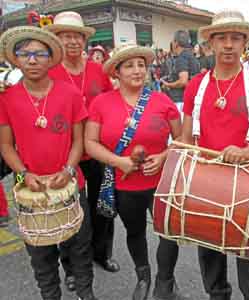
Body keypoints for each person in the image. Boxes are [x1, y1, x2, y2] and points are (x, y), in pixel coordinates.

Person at [181, 10, 249, 300]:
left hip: (248, 184)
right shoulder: (195, 86)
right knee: (211, 259)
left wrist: (246, 151)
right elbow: (187, 138)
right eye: (221, 38)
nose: (228, 44)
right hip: (205, 182)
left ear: (245, 43)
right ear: (211, 43)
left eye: (236, 38)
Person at [85, 43, 187, 300]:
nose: (137, 70)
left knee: (168, 233)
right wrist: (118, 162)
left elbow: (182, 140)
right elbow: (90, 143)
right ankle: (143, 277)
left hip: (162, 183)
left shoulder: (162, 100)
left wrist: (164, 156)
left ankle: (165, 281)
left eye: (141, 64)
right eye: (129, 65)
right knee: (135, 231)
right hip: (124, 185)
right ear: (116, 72)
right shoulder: (101, 103)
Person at [0, 26, 96, 300]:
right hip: (31, 190)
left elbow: (79, 141)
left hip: (71, 183)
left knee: (80, 247)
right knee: (41, 255)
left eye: (40, 54)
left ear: (51, 57)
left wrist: (67, 170)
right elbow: (6, 145)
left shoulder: (69, 94)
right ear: (15, 59)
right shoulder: (6, 97)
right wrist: (24, 174)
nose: (32, 60)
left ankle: (86, 294)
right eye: (24, 54)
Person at [45, 11, 119, 290]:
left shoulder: (98, 70)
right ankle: (72, 267)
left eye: (77, 35)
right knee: (70, 209)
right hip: (66, 151)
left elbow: (113, 100)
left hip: (99, 149)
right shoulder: (49, 72)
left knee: (104, 206)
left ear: (85, 40)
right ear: (56, 39)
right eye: (66, 35)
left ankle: (102, 254)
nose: (72, 41)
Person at [161, 30, 200, 112]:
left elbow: (183, 81)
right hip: (190, 100)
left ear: (176, 43)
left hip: (180, 101)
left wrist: (168, 85)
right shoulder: (191, 56)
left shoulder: (182, 57)